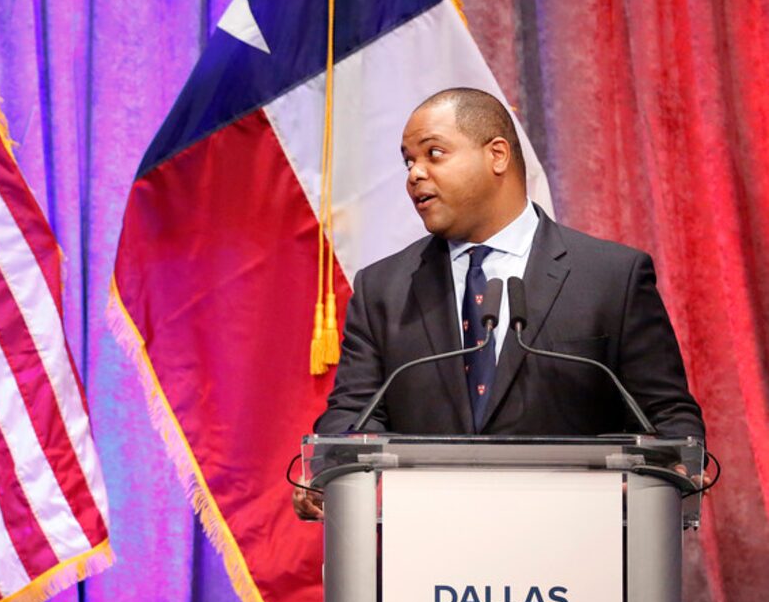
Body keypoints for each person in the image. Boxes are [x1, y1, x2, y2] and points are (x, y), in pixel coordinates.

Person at [294, 87, 703, 519]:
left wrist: (671, 469)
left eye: (434, 153)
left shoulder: (610, 277)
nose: (414, 174)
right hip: (428, 551)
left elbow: (666, 416)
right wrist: (329, 471)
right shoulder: (383, 289)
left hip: (578, 548)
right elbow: (354, 416)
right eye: (408, 161)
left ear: (498, 155)